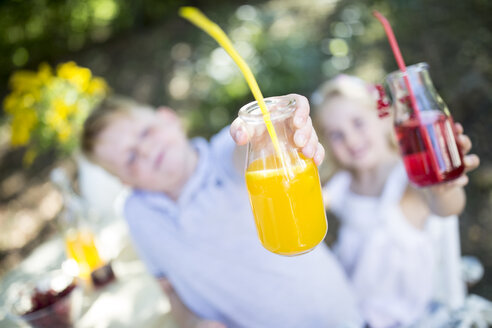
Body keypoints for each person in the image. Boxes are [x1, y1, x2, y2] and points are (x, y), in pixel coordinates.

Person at [81, 95, 363, 328]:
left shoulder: (224, 156)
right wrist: (193, 322)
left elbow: (250, 147)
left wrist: (272, 129)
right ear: (124, 181)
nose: (145, 150)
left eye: (146, 132)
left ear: (169, 118)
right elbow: (169, 289)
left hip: (331, 318)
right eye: (130, 158)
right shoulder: (137, 214)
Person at [312, 74, 481, 328]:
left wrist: (443, 187)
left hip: (407, 318)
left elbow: (447, 207)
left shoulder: (409, 176)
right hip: (352, 311)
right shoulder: (343, 185)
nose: (351, 139)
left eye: (358, 123)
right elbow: (312, 207)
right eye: (336, 135)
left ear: (384, 117)